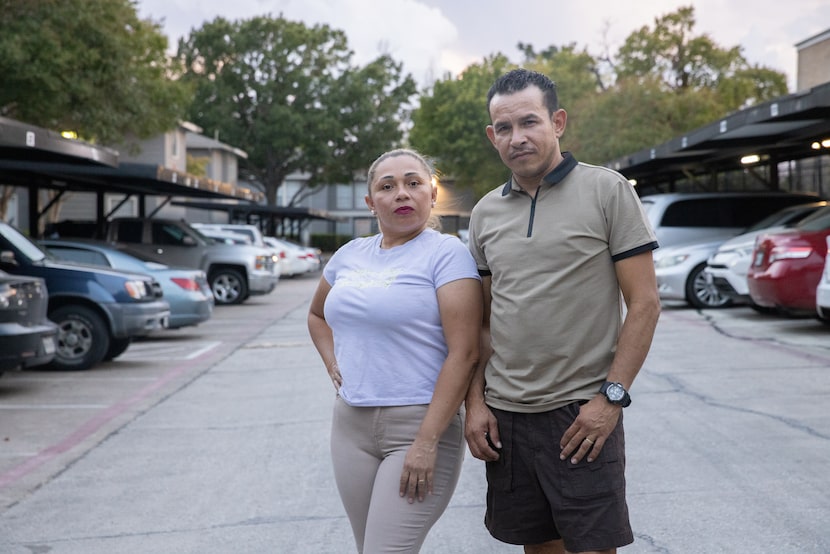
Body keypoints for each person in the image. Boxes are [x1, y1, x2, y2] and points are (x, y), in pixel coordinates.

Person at [463, 68, 662, 554]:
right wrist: (475, 403)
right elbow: (482, 322)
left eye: (529, 122)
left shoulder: (608, 190)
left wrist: (610, 399)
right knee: (538, 548)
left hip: (580, 413)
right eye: (504, 128)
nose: (518, 138)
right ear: (492, 136)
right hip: (507, 417)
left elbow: (645, 303)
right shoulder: (485, 214)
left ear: (558, 122)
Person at [307, 148, 482, 553]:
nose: (401, 193)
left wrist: (426, 442)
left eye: (413, 183)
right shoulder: (348, 255)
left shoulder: (446, 254)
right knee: (367, 546)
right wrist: (333, 363)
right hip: (351, 425)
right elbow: (317, 316)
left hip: (418, 425)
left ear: (432, 194)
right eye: (387, 186)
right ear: (371, 203)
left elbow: (465, 353)